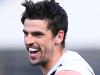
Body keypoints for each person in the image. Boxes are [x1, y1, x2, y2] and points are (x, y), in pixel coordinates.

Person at [21, 0, 95, 75]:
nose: (28, 41)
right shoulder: (69, 62)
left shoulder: (68, 72)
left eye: (37, 34)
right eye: (26, 33)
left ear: (59, 37)